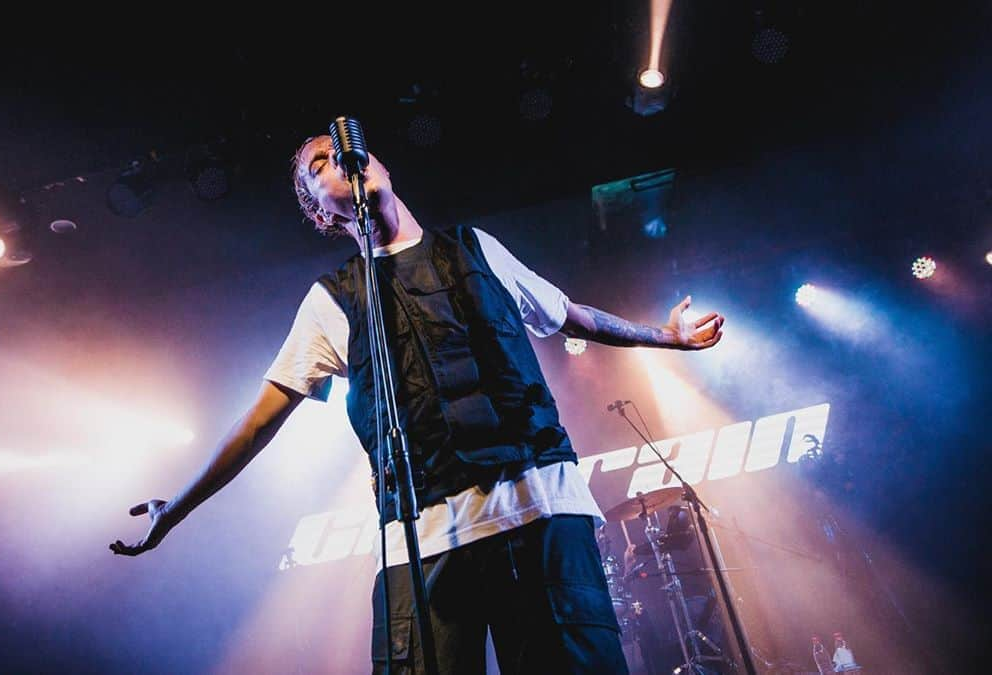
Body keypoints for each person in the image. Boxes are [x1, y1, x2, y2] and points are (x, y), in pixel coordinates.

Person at [111, 132, 725, 674]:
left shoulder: (476, 248)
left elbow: (573, 316)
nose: (339, 158)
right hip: (426, 538)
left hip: (541, 510)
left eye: (344, 147)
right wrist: (178, 509)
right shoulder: (332, 300)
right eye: (318, 164)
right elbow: (258, 422)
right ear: (321, 212)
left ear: (379, 162)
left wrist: (667, 337)